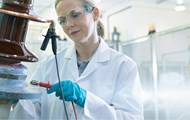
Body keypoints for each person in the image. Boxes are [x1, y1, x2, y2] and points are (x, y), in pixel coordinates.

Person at [9, 0, 143, 119]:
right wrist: (19, 101)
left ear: (95, 14)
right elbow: (32, 114)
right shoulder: (49, 64)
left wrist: (86, 100)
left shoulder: (124, 65)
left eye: (74, 15)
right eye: (62, 20)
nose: (68, 25)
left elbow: (130, 117)